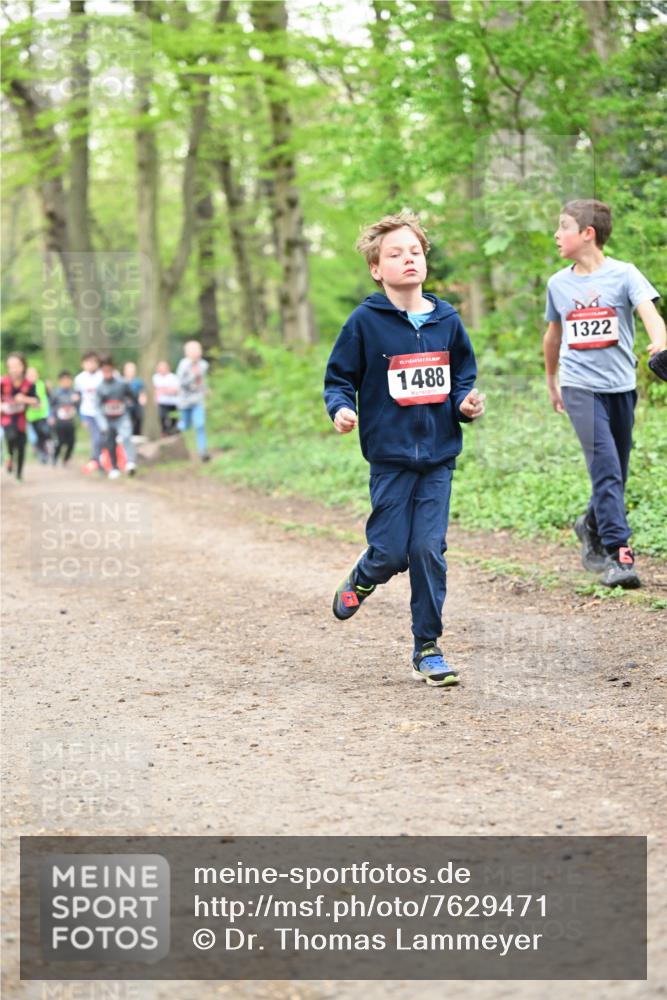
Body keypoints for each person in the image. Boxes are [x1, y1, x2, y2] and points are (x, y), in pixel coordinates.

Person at [323, 209, 484, 687]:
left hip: (438, 457)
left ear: (425, 260)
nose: (408, 259)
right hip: (390, 458)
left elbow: (462, 377)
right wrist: (340, 408)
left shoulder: (447, 320)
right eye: (395, 254)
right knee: (393, 552)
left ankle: (427, 647)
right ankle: (365, 575)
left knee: (428, 549)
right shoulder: (365, 322)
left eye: (415, 251)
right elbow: (339, 378)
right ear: (377, 268)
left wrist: (465, 404)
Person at [543, 199, 665, 589]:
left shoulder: (625, 274)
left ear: (587, 233)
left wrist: (660, 344)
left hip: (621, 388)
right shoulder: (558, 284)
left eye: (563, 227)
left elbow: (650, 314)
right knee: (607, 467)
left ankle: (591, 523)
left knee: (616, 472)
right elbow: (553, 335)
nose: (556, 235)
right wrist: (552, 380)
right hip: (579, 387)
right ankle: (619, 553)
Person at [95, 355, 138, 479]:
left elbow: (132, 397)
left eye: (109, 370)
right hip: (107, 419)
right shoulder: (100, 388)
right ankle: (114, 467)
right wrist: (103, 424)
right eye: (104, 371)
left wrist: (129, 405)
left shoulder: (122, 384)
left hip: (122, 416)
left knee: (126, 437)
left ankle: (130, 462)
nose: (107, 373)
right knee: (110, 442)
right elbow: (97, 407)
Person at [1, 352, 39, 480]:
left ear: (23, 366)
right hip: (6, 419)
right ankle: (9, 457)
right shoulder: (3, 383)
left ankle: (19, 474)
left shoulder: (29, 384)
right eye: (11, 366)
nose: (14, 369)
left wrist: (25, 399)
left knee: (22, 445)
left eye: (17, 365)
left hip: (21, 419)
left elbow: (37, 402)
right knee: (11, 437)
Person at [176, 340, 210, 460]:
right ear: (187, 353)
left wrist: (206, 389)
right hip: (185, 401)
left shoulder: (203, 365)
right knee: (186, 425)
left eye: (198, 350)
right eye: (194, 350)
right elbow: (181, 383)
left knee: (200, 425)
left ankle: (203, 451)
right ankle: (176, 429)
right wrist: (194, 376)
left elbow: (203, 381)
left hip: (198, 400)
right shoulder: (183, 365)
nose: (197, 353)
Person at [74, 351, 103, 472]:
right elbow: (77, 398)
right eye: (88, 362)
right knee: (96, 437)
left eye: (93, 362)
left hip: (102, 412)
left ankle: (100, 459)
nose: (91, 365)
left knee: (103, 437)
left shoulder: (102, 376)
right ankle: (95, 460)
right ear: (83, 364)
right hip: (88, 412)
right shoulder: (79, 379)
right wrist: (82, 417)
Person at [49, 370, 80, 466]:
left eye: (68, 380)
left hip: (70, 422)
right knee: (59, 442)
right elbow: (51, 406)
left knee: (71, 442)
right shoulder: (55, 393)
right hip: (59, 422)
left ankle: (66, 459)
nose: (66, 382)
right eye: (64, 380)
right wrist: (51, 417)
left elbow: (79, 407)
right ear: (60, 382)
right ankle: (55, 457)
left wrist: (77, 401)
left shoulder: (74, 393)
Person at [25, 365, 52, 464]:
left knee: (44, 432)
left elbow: (49, 397)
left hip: (42, 415)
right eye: (29, 375)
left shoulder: (42, 385)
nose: (32, 377)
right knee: (35, 437)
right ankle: (41, 452)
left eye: (33, 374)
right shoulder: (25, 387)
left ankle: (46, 450)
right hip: (31, 416)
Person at [152, 360, 180, 435]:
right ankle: (165, 431)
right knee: (162, 417)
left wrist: (163, 390)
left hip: (173, 402)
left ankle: (173, 431)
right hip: (162, 402)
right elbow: (156, 390)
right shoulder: (156, 377)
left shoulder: (173, 377)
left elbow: (175, 390)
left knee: (173, 418)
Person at [123, 361, 147, 436]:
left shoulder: (138, 382)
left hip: (136, 406)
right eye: (129, 371)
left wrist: (142, 399)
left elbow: (142, 393)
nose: (131, 372)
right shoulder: (121, 382)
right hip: (125, 407)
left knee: (138, 419)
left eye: (132, 371)